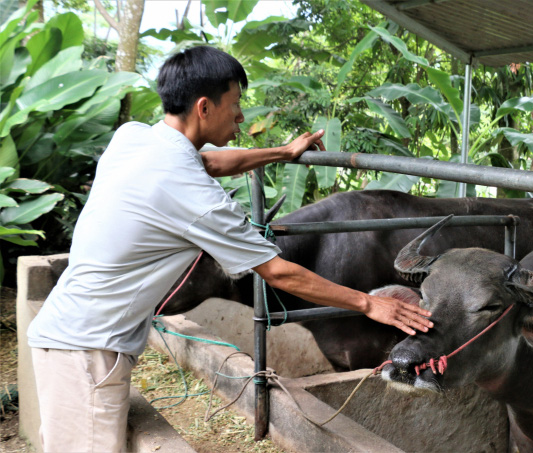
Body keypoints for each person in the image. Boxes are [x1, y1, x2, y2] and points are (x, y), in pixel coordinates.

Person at [27, 45, 433, 452]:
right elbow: (279, 272)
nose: (241, 116)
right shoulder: (200, 201)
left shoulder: (132, 139)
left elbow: (211, 163)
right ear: (204, 107)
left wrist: (284, 152)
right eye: (236, 104)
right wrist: (368, 304)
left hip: (70, 334)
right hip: (88, 352)